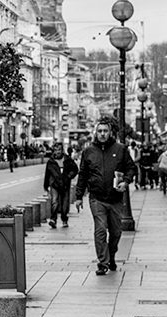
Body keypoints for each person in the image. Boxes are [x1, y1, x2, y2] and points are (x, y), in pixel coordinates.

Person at [74, 117, 136, 276]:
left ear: (110, 133)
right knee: (100, 229)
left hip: (115, 198)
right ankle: (102, 262)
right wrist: (79, 196)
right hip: (97, 198)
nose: (102, 134)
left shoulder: (120, 149)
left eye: (105, 131)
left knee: (116, 232)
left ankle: (111, 255)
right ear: (96, 133)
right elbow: (83, 174)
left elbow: (131, 168)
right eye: (100, 131)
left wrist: (126, 182)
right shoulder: (89, 151)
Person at [43, 142, 79, 228]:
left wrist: (69, 176)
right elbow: (47, 174)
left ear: (62, 150)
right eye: (55, 150)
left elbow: (75, 169)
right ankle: (53, 220)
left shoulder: (68, 159)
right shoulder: (51, 162)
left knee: (65, 204)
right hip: (54, 184)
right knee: (54, 202)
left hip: (65, 184)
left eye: (59, 149)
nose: (57, 152)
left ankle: (64, 219)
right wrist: (46, 186)